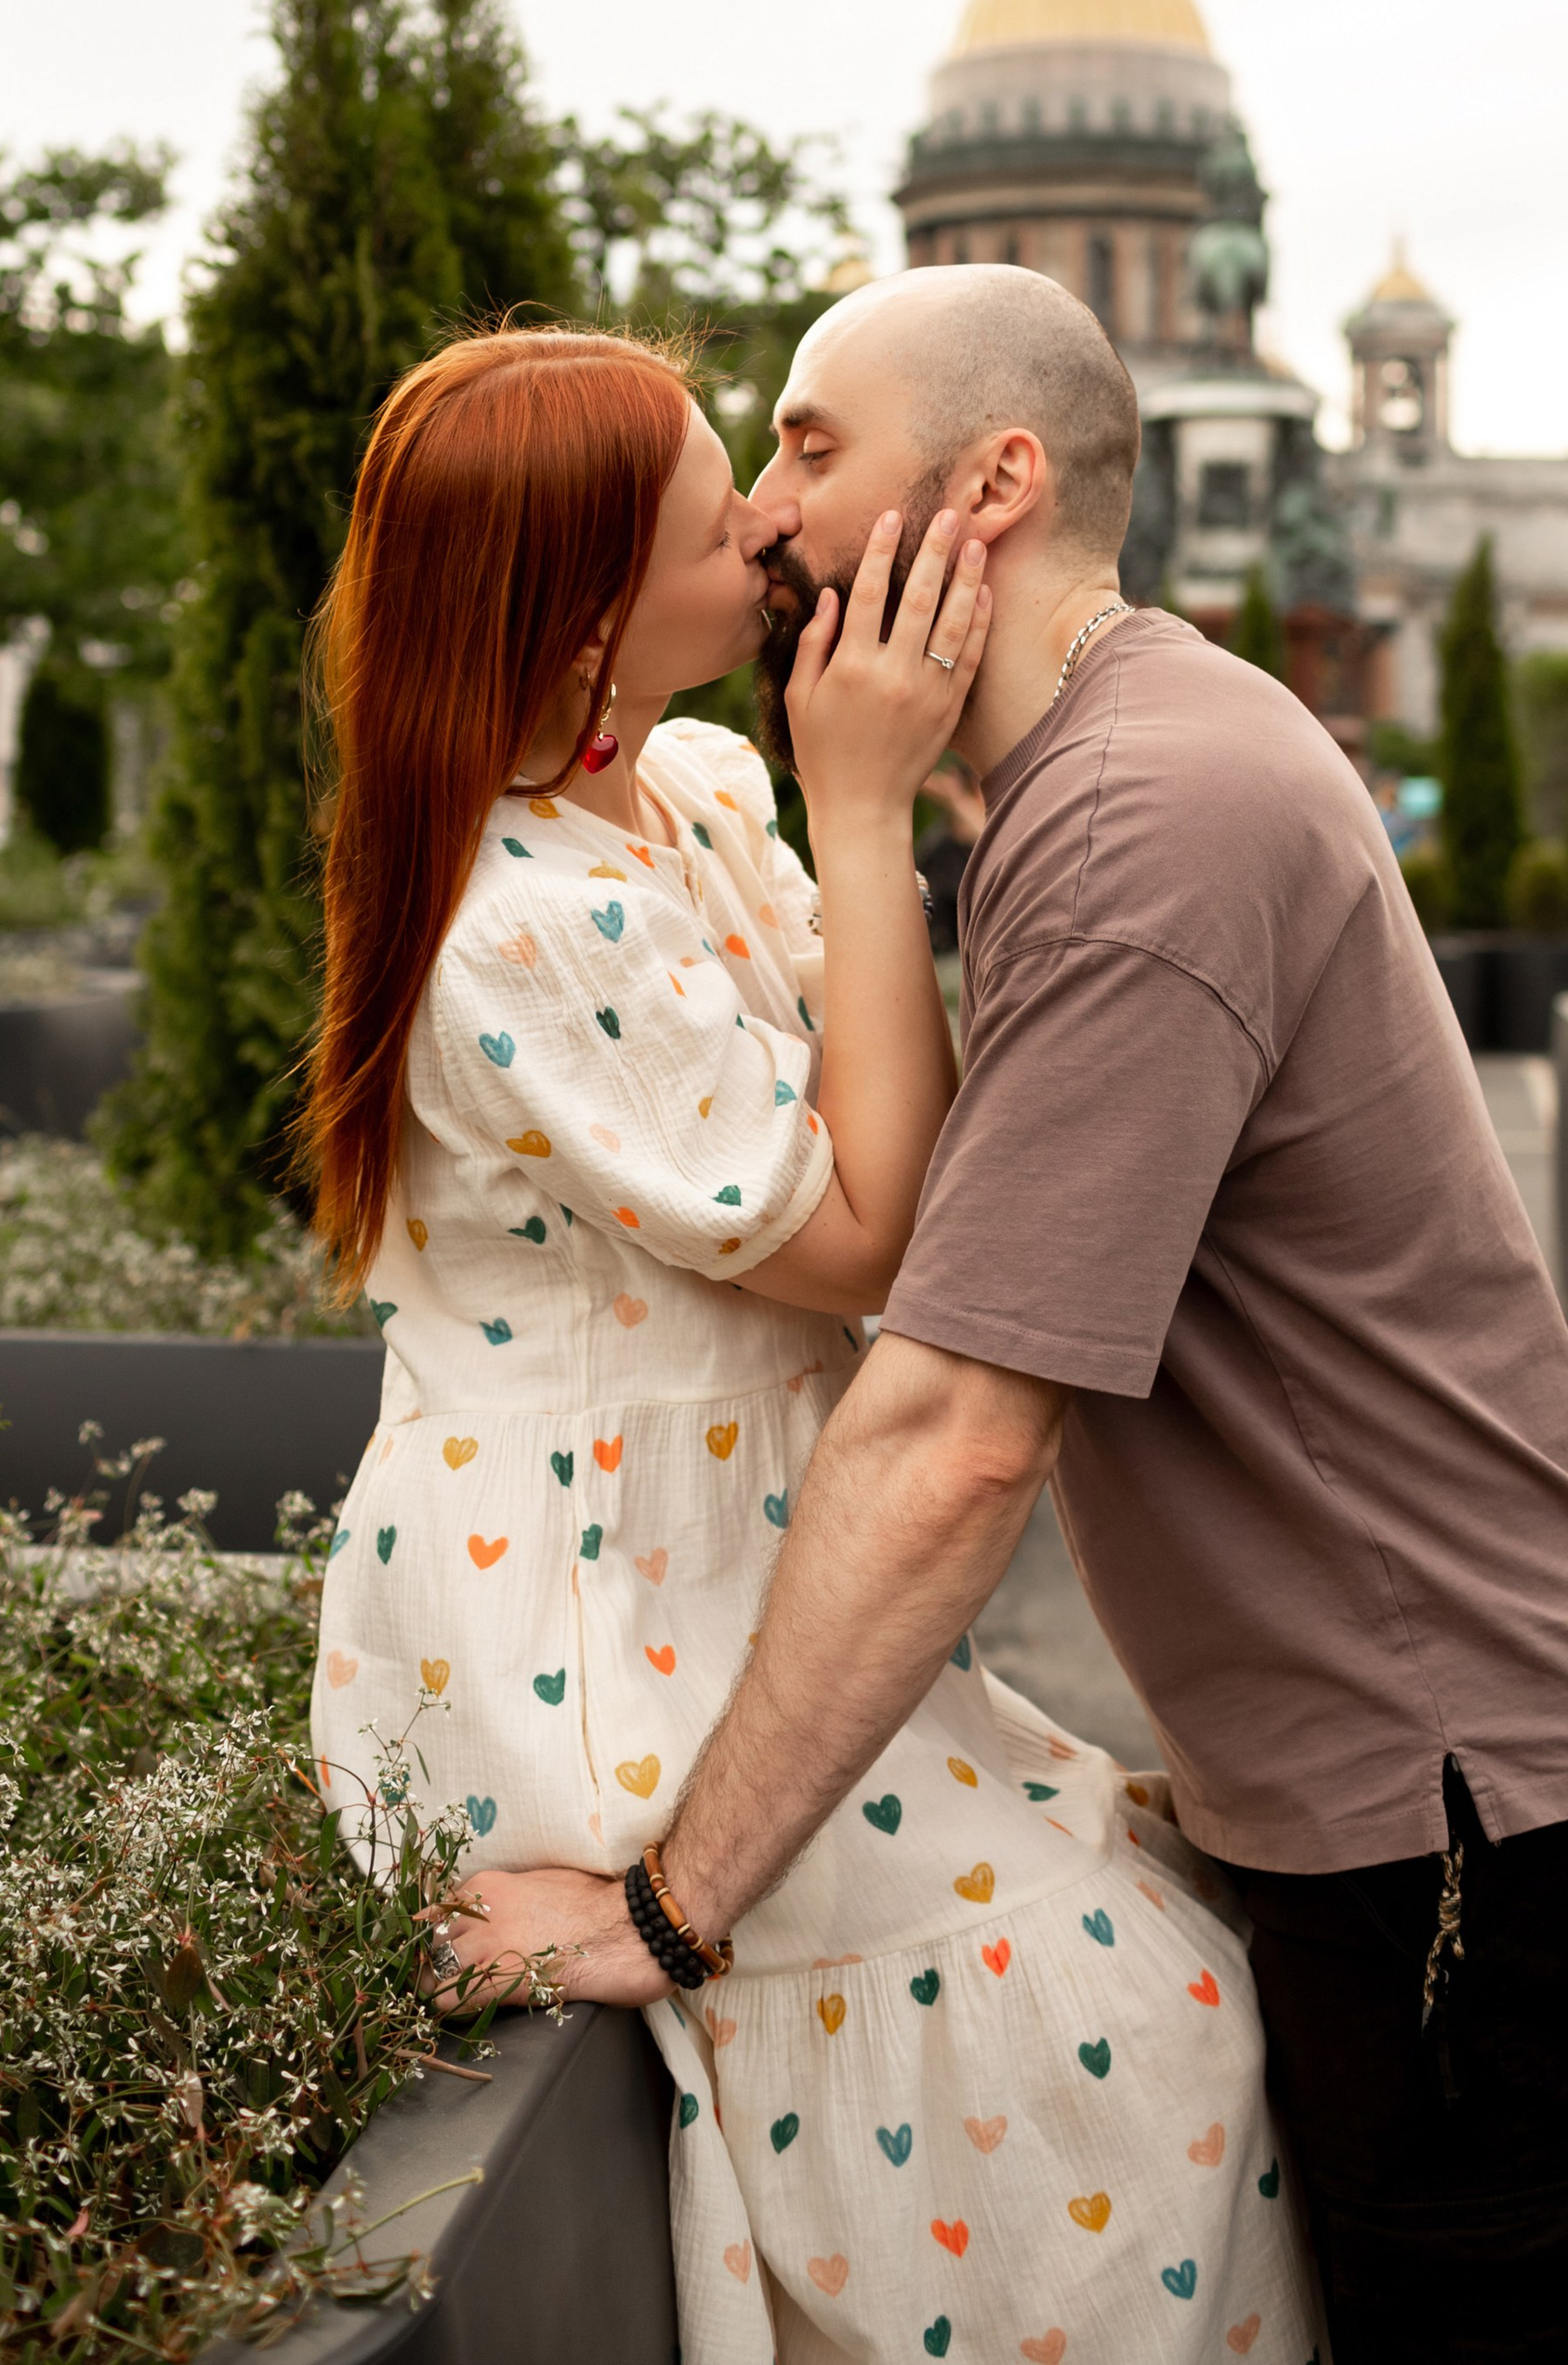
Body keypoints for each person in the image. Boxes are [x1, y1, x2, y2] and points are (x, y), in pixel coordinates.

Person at [462, 264, 1568, 2365]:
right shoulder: (1106, 759)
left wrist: (666, 1905)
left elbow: (962, 1422)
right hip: (1457, 1758)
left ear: (990, 484)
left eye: (806, 444)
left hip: (1468, 1785)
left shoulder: (1141, 818)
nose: (766, 511)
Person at [308, 325, 1322, 2365]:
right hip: (610, 1612)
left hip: (749, 1557)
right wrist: (861, 814)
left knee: (1155, 2003)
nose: (769, 527)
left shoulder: (677, 786)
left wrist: (829, 804)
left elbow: (881, 1132)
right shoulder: (522, 922)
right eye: (719, 512)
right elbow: (879, 1229)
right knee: (1145, 2032)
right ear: (594, 614)